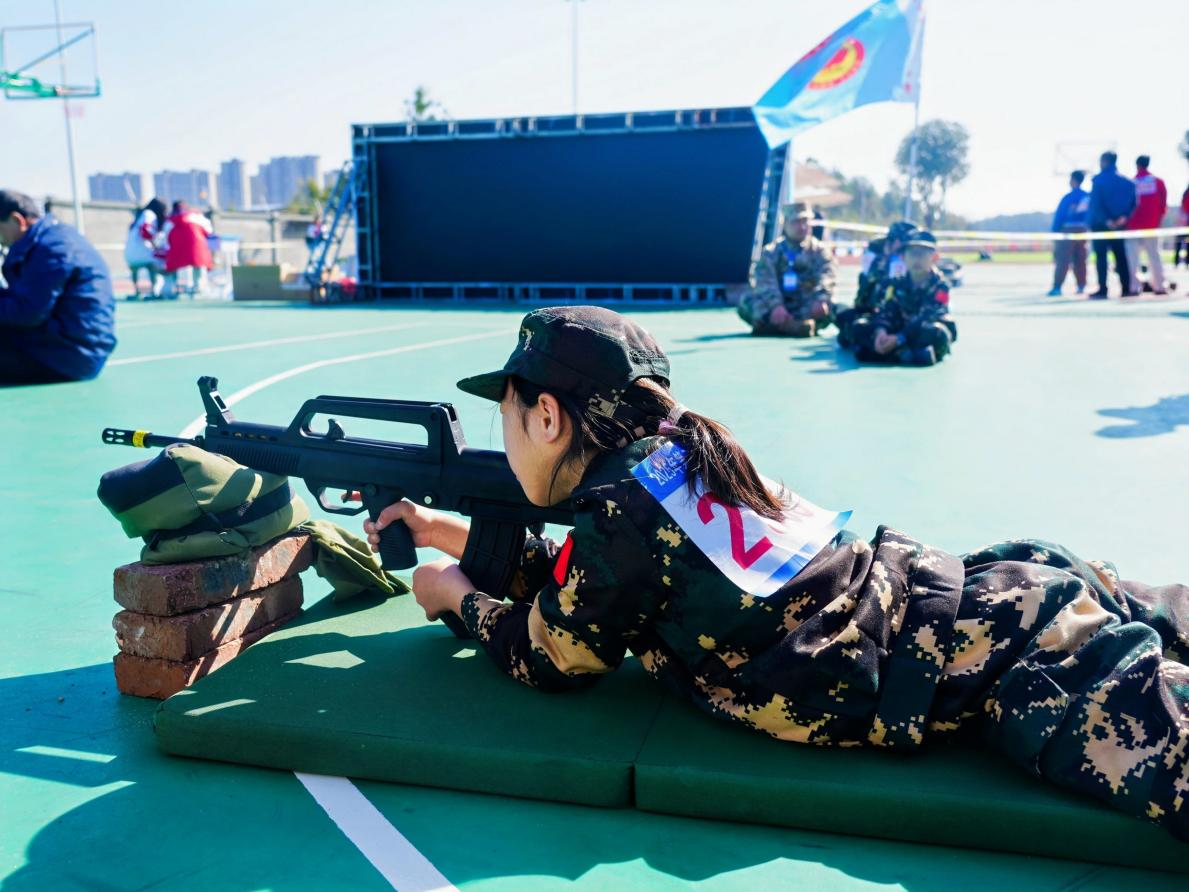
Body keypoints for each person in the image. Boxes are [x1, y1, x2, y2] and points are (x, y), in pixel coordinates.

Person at [363, 305, 1189, 840]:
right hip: (986, 595)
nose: (506, 439)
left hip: (1004, 662)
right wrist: (450, 531)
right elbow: (604, 584)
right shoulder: (671, 461)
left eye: (507, 418)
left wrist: (454, 596)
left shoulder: (620, 511)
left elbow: (556, 655)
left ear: (547, 416)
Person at [0, 188, 116, 384]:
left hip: (67, 356)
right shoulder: (52, 239)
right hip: (70, 347)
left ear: (17, 220)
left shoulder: (51, 248)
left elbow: (27, 311)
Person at [853, 231, 955, 366]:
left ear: (934, 257)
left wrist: (899, 338)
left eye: (922, 254)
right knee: (860, 325)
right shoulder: (896, 283)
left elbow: (928, 316)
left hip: (918, 333)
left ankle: (890, 354)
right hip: (898, 331)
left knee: (937, 332)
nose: (917, 259)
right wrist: (881, 331)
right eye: (912, 254)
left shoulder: (941, 285)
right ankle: (903, 354)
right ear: (903, 257)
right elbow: (887, 311)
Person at [737, 202, 836, 337]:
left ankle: (775, 327)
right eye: (796, 222)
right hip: (779, 307)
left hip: (806, 305)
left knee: (832, 307)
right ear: (784, 224)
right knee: (747, 301)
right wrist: (776, 306)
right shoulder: (771, 252)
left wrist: (821, 299)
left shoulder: (820, 251)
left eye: (805, 221)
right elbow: (765, 282)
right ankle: (793, 326)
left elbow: (827, 276)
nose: (802, 227)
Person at [837, 220, 915, 349]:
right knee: (842, 314)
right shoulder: (876, 258)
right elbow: (863, 297)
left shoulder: (911, 263)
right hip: (874, 312)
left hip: (897, 318)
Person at [1087, 151, 1136, 299]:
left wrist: (1106, 220)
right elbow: (1133, 203)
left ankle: (1103, 289)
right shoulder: (1127, 182)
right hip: (1120, 226)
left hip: (1101, 226)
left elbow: (1095, 204)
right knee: (1121, 257)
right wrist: (1123, 218)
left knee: (1101, 258)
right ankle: (1126, 288)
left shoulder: (1098, 180)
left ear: (1104, 161)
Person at [1125, 156, 1168, 295]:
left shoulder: (1131, 183)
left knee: (1133, 258)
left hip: (1133, 226)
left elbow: (1126, 206)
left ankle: (1134, 287)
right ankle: (1159, 286)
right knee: (1154, 256)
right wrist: (1158, 221)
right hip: (1152, 226)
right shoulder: (1158, 182)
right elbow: (1163, 205)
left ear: (1137, 165)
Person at [1047, 171, 1090, 296]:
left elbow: (1060, 216)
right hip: (1083, 230)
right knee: (1080, 259)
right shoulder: (1087, 196)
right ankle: (1081, 286)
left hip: (1067, 230)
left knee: (1063, 259)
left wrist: (1055, 232)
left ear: (1073, 180)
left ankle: (1057, 287)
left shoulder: (1068, 197)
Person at [161, 200, 213, 298]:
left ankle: (169, 290)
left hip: (177, 250)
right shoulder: (197, 217)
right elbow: (209, 231)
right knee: (198, 266)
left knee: (172, 267)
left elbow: (165, 239)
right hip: (197, 249)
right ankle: (198, 289)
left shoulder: (169, 221)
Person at [124, 197, 166, 300]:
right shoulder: (149, 214)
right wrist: (155, 245)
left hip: (129, 254)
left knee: (136, 267)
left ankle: (136, 291)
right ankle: (154, 291)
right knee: (154, 263)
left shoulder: (139, 216)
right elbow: (146, 232)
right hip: (141, 252)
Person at [1175, 182, 1189, 268]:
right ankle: (1182, 262)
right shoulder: (1186, 194)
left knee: (1182, 243)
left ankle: (1178, 262)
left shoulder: (1185, 194)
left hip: (1183, 225)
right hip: (1184, 225)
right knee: (1183, 243)